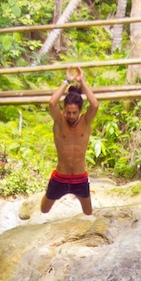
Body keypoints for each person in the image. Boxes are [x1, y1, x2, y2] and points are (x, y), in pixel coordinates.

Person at [41, 65, 98, 216]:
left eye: (74, 113)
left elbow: (95, 105)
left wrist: (82, 82)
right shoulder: (59, 121)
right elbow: (52, 103)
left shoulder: (85, 122)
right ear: (64, 109)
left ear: (80, 111)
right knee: (44, 209)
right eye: (68, 112)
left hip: (79, 177)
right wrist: (67, 80)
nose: (71, 116)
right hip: (61, 176)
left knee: (88, 213)